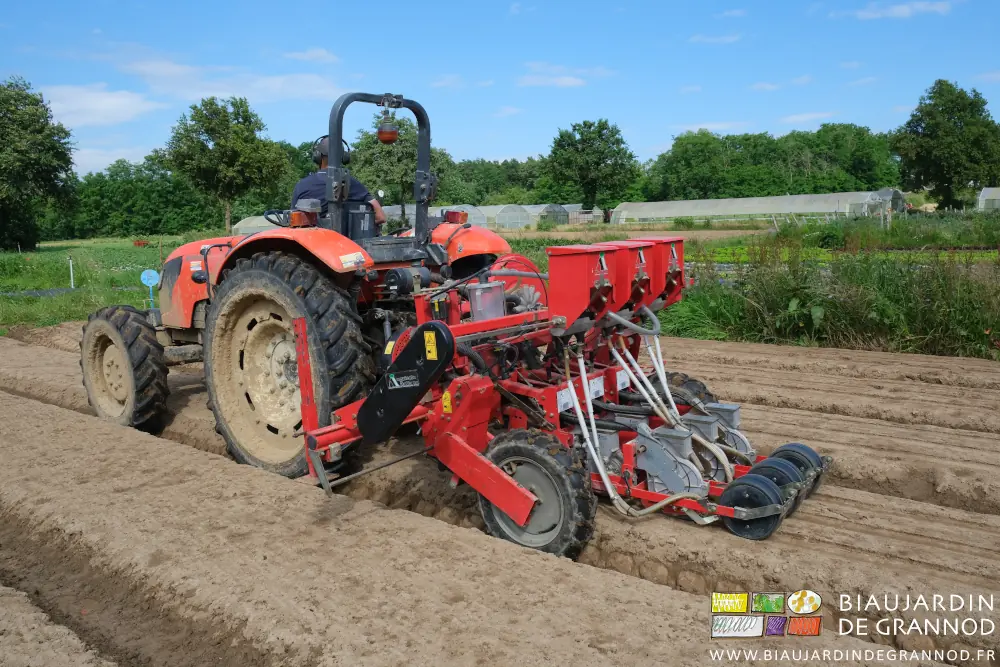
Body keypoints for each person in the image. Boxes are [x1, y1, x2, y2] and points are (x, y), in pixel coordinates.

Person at [291, 136, 386, 227]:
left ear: (318, 157)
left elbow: (293, 220)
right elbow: (380, 217)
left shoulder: (302, 185)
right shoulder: (353, 184)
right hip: (346, 241)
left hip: (312, 240)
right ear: (344, 157)